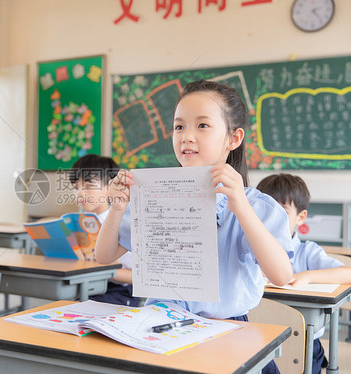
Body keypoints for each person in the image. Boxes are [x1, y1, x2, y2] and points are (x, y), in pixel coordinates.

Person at [95, 80, 294, 374]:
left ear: (233, 138)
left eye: (202, 126)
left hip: (228, 333)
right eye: (178, 127)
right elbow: (104, 255)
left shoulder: (258, 205)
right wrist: (118, 209)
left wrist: (240, 206)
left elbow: (281, 274)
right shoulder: (153, 193)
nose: (186, 136)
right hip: (161, 327)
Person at [257, 173, 351, 374]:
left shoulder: (307, 252)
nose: (270, 218)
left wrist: (307, 276)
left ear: (300, 217)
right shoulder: (249, 249)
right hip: (258, 341)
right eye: (263, 209)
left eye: (281, 211)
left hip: (305, 346)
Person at [70, 154, 141, 307]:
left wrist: (101, 269)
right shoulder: (78, 224)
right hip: (86, 287)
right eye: (76, 188)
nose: (80, 194)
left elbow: (138, 277)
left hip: (118, 293)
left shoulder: (122, 224)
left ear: (110, 187)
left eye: (88, 186)